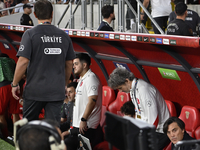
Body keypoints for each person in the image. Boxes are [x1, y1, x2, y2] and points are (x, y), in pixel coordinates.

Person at [11, 0, 75, 124]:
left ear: (35, 15)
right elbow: (69, 64)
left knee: (29, 128)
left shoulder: (30, 34)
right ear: (52, 14)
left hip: (35, 91)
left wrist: (14, 84)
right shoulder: (64, 36)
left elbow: (23, 62)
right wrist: (64, 84)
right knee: (53, 129)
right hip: (56, 92)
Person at [108, 68, 170, 150]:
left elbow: (154, 119)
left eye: (120, 87)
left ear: (127, 81)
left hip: (160, 132)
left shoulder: (144, 90)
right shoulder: (133, 89)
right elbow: (139, 114)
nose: (120, 91)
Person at [65, 53, 103, 150]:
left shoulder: (91, 79)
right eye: (73, 64)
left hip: (87, 126)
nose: (73, 67)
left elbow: (92, 101)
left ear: (84, 65)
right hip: (79, 125)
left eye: (76, 64)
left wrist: (83, 119)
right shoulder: (82, 79)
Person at [0, 53, 20, 139]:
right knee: (15, 114)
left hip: (1, 87)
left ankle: (5, 137)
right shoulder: (11, 61)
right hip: (14, 87)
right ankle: (17, 137)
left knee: (0, 116)